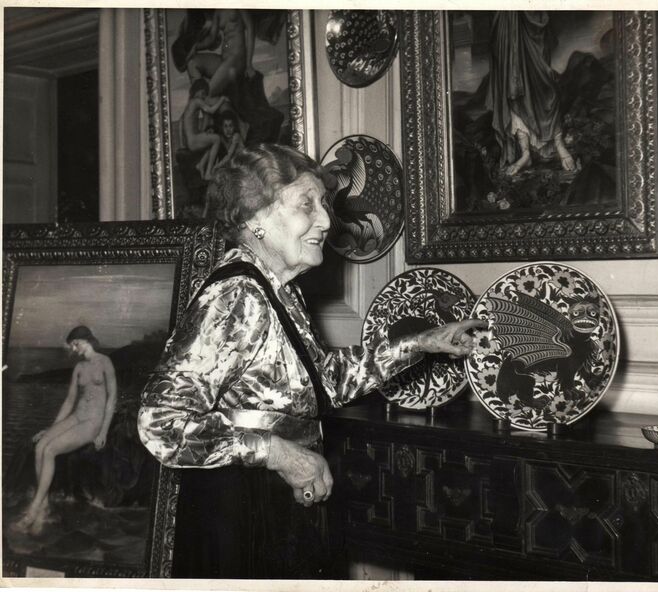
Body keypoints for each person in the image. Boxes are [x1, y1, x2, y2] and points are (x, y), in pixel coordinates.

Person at [137, 144, 485, 579]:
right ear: (255, 219)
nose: (326, 220)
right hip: (241, 507)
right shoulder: (236, 296)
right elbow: (160, 420)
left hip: (268, 498)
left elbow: (326, 381)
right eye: (308, 205)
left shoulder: (277, 287)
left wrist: (421, 343)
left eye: (323, 204)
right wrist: (278, 453)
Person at [15, 326, 117, 535]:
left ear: (85, 340)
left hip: (93, 422)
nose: (74, 349)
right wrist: (50, 428)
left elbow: (112, 399)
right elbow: (70, 400)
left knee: (50, 450)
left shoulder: (105, 362)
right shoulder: (78, 367)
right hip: (76, 416)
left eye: (75, 344)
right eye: (72, 346)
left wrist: (104, 431)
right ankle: (44, 505)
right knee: (41, 445)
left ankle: (35, 509)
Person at [486, 11, 576, 177]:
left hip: (531, 18)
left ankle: (558, 143)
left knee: (546, 89)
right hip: (507, 19)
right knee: (512, 87)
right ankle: (525, 153)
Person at [181, 79, 227, 180]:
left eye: (205, 95)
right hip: (193, 141)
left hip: (191, 140)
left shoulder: (190, 103)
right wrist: (222, 100)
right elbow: (211, 110)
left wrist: (203, 133)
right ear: (197, 90)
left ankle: (201, 165)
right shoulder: (196, 101)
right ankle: (208, 173)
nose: (203, 97)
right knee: (217, 139)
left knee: (211, 139)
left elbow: (191, 127)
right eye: (203, 93)